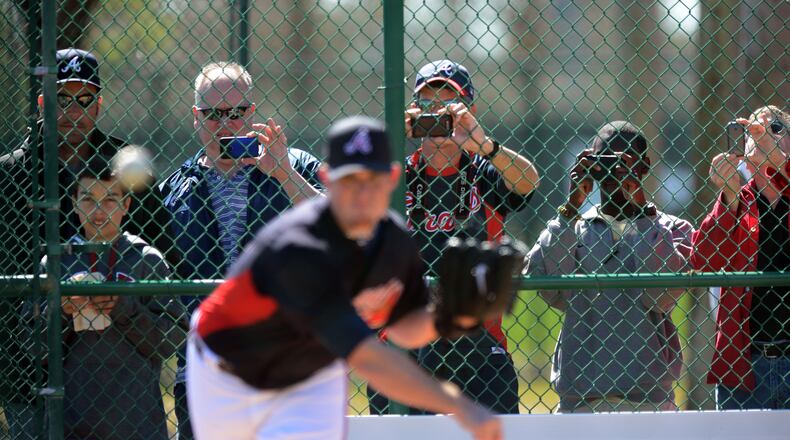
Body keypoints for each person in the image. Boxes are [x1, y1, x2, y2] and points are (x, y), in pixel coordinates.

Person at [187, 116, 503, 440]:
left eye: (372, 178)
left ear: (393, 178)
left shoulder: (392, 240)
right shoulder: (301, 247)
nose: (362, 194)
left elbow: (406, 327)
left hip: (310, 370)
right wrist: (461, 406)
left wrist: (454, 317)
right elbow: (368, 360)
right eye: (350, 180)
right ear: (327, 178)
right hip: (227, 369)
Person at [0, 47, 170, 437]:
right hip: (30, 371)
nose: (72, 110)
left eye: (84, 99)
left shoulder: (125, 169)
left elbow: (163, 255)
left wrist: (121, 295)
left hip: (117, 370)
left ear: (98, 104)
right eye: (61, 98)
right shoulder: (11, 173)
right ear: (42, 100)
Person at [158, 61, 322, 438]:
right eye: (214, 114)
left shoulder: (292, 165)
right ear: (196, 118)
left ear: (252, 112)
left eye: (236, 113)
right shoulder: (174, 190)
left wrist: (283, 173)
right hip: (205, 367)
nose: (226, 124)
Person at [370, 59, 540, 415]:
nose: (437, 116)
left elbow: (528, 182)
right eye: (427, 105)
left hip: (478, 341)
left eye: (448, 106)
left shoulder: (484, 171)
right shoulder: (398, 174)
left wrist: (484, 145)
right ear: (413, 110)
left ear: (468, 111)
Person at [523, 121, 692, 412]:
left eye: (624, 161)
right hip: (582, 395)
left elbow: (660, 297)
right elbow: (549, 287)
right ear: (591, 164)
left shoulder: (673, 229)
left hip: (647, 395)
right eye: (605, 160)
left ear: (644, 166)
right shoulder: (574, 227)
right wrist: (571, 206)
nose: (615, 170)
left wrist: (643, 216)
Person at [20, 158, 187, 439]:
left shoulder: (146, 259)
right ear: (73, 203)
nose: (98, 210)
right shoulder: (56, 262)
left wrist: (122, 306)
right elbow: (33, 347)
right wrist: (61, 312)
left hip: (136, 422)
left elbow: (172, 339)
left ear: (126, 205)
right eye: (87, 198)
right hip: (70, 420)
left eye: (110, 199)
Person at [691, 105, 790, 410]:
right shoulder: (739, 200)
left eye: (774, 128)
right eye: (752, 130)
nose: (759, 134)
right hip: (745, 363)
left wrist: (782, 167)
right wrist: (729, 197)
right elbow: (703, 261)